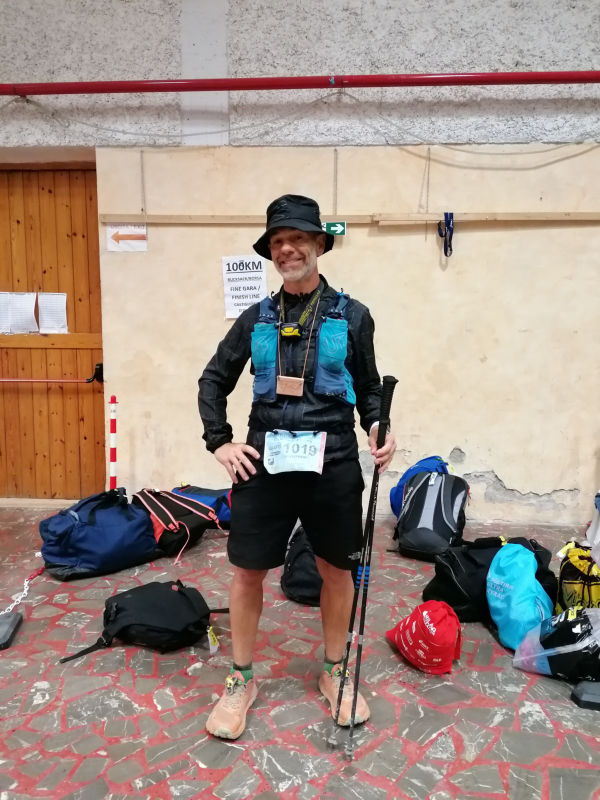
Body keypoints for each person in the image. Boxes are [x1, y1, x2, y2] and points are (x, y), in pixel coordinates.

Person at [198, 194, 396, 740]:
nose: (287, 249)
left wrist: (377, 425)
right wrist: (220, 442)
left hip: (332, 461)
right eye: (278, 242)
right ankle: (241, 679)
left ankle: (334, 670)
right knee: (247, 571)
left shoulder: (354, 316)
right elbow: (213, 380)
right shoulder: (256, 318)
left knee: (336, 569)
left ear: (319, 245)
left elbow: (369, 388)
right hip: (264, 461)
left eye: (298, 239)